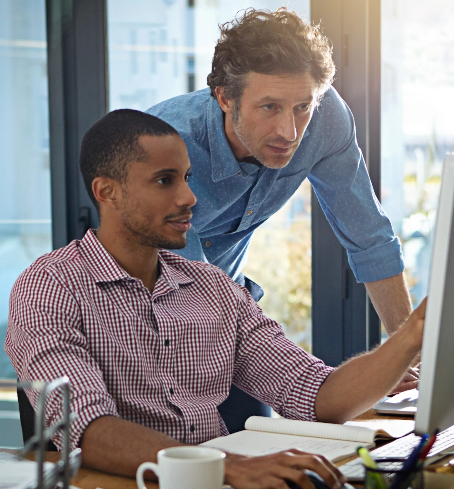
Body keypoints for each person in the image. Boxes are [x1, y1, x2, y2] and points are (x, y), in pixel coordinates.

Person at [5, 109, 426, 489]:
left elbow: (315, 394)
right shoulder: (50, 288)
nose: (189, 198)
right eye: (164, 180)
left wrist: (411, 338)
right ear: (107, 192)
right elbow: (86, 429)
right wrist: (228, 466)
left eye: (187, 178)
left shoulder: (213, 287)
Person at [145, 7, 417, 429]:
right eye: (269, 107)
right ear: (224, 97)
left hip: (225, 311)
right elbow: (191, 285)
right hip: (148, 324)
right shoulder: (168, 143)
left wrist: (408, 355)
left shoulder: (324, 118)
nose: (289, 131)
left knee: (258, 443)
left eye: (301, 107)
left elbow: (370, 237)